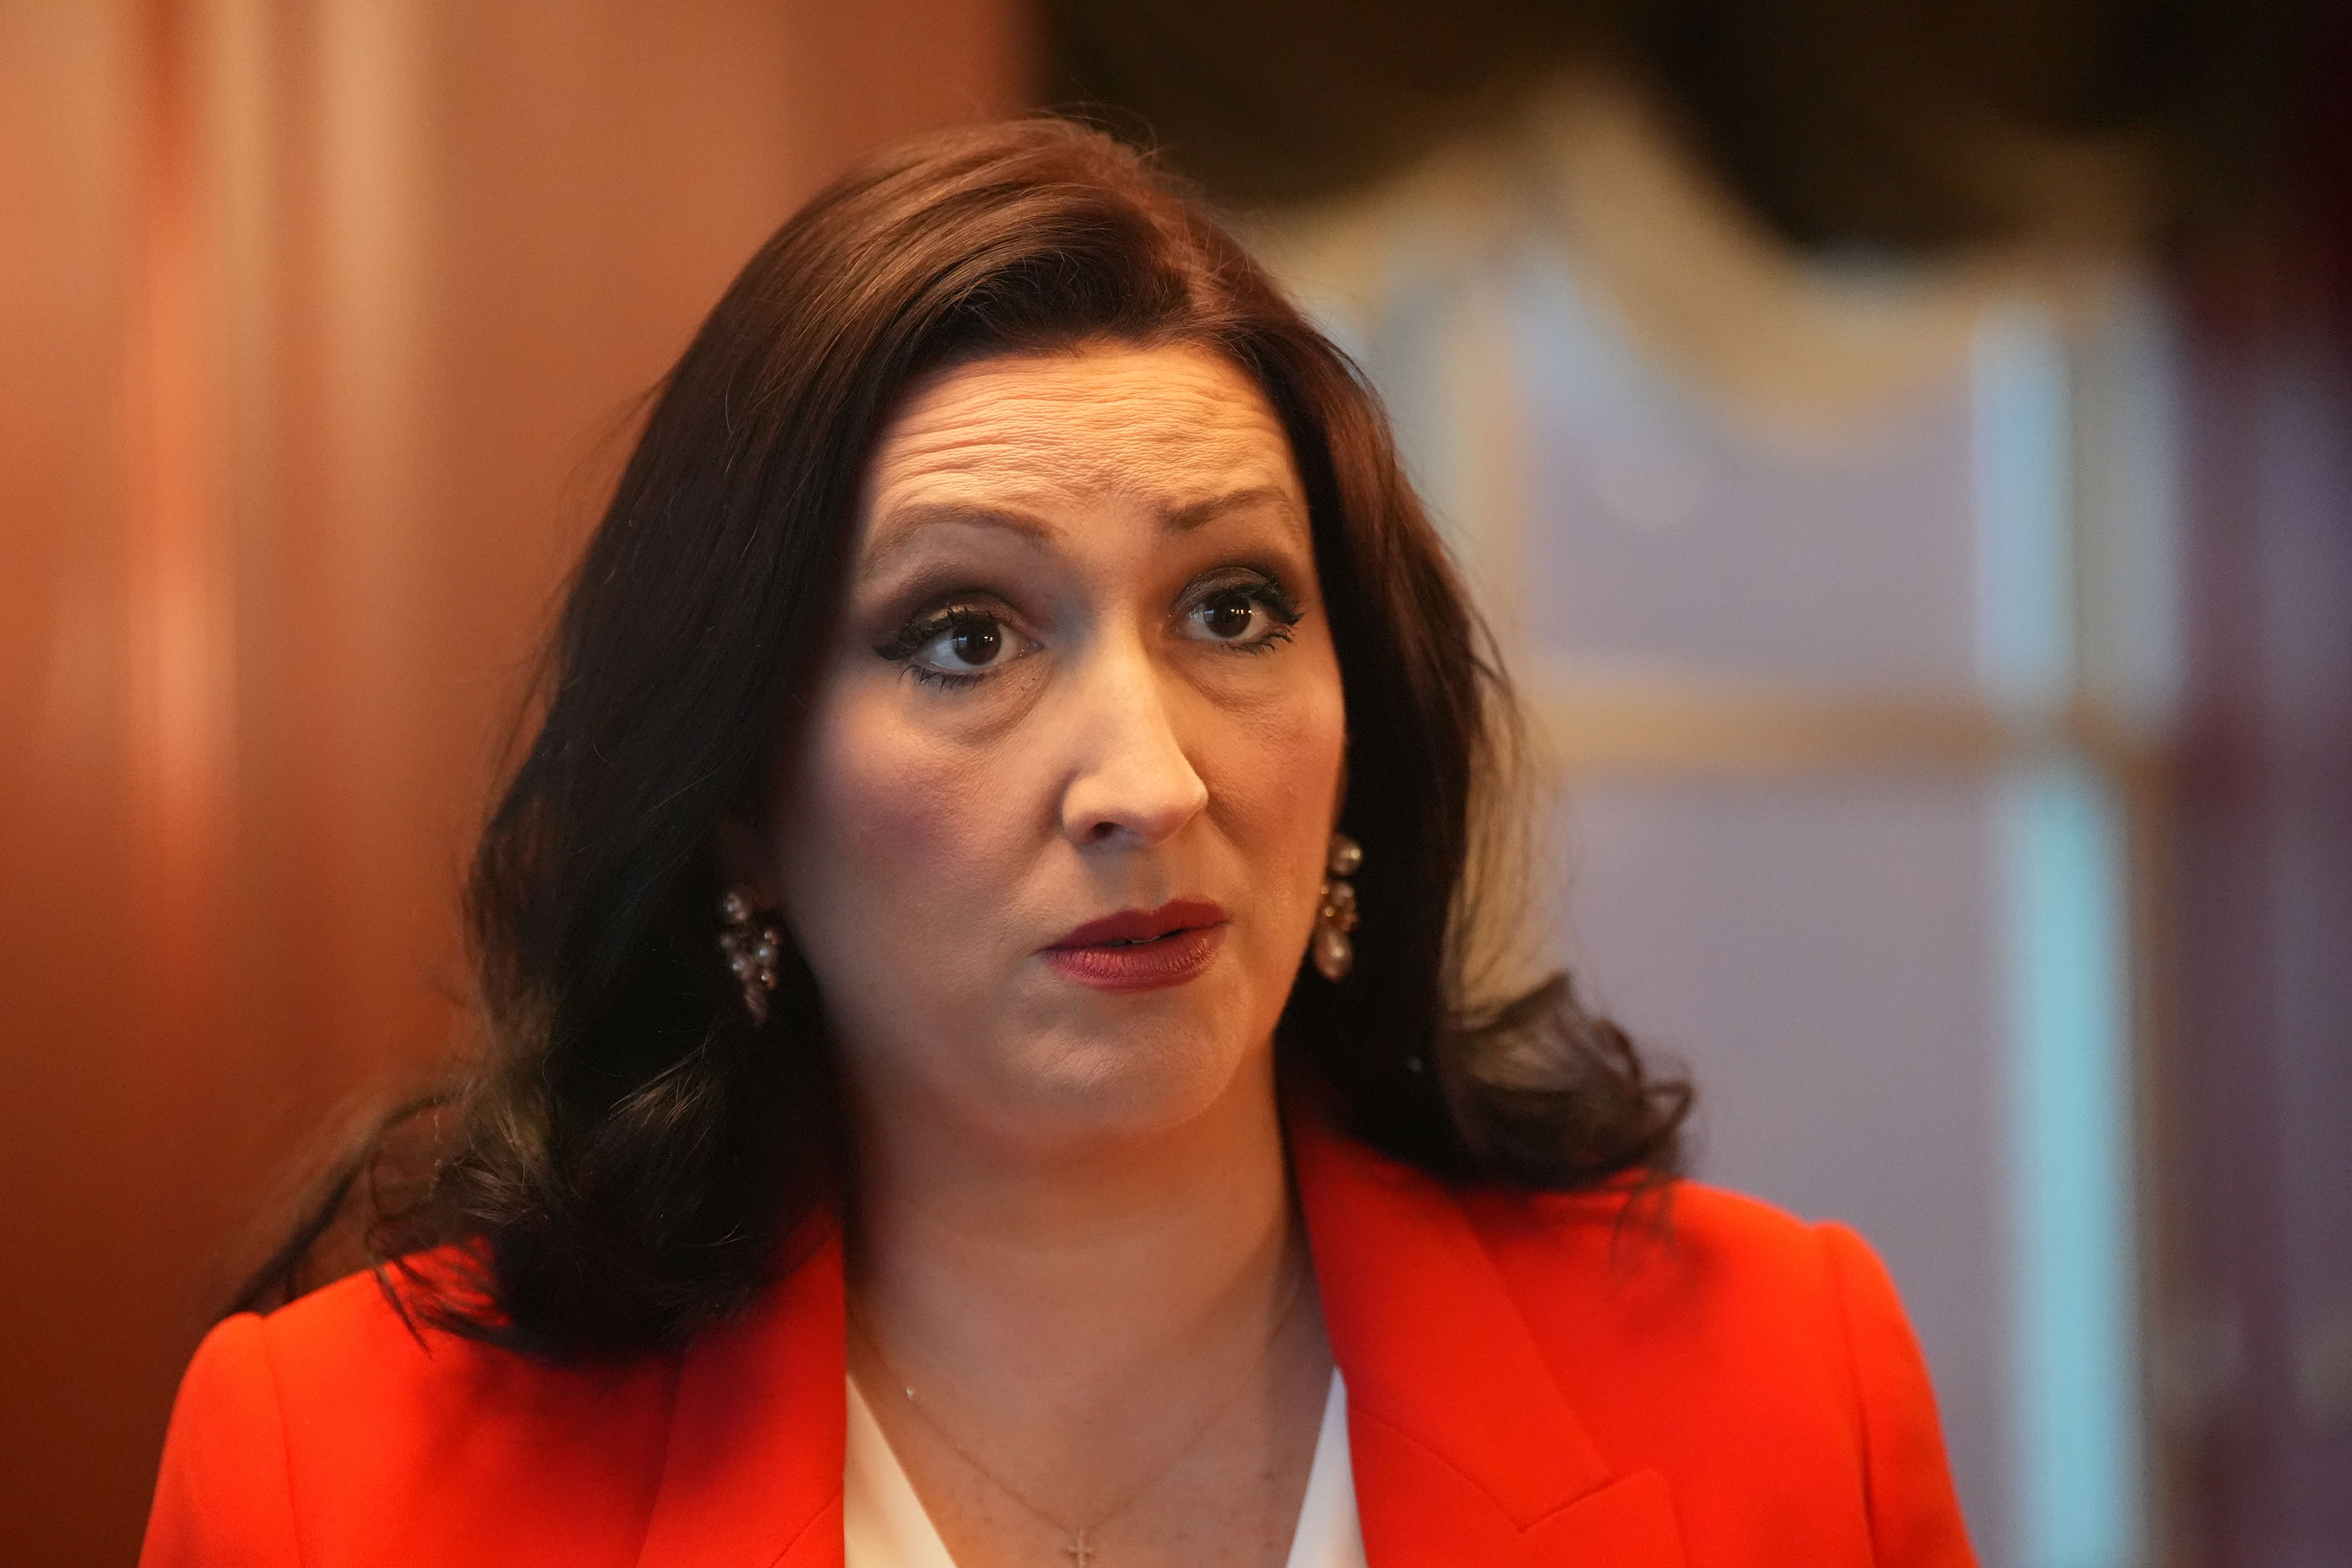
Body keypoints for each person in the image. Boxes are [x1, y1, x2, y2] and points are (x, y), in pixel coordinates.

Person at [140, 119, 1976, 1568]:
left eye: (1236, 610)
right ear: (739, 813)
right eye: (966, 636)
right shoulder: (337, 1469)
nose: (1149, 782)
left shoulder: (1779, 1379)